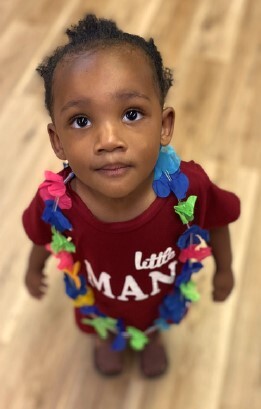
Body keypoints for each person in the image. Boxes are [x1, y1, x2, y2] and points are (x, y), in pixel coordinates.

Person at [22, 14, 240, 377]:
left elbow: (217, 221)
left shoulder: (191, 186)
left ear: (165, 125)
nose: (109, 140)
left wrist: (225, 270)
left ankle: (152, 339)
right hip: (100, 306)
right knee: (102, 327)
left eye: (132, 113)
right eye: (81, 121)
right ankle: (106, 339)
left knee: (155, 325)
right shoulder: (55, 201)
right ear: (57, 141)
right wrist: (32, 269)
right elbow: (44, 235)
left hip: (159, 302)